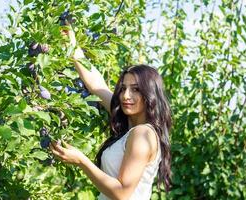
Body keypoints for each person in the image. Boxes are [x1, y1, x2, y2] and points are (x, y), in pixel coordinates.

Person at [50, 25, 172, 200]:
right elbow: (95, 84)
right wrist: (73, 45)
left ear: (150, 95)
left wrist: (81, 161)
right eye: (123, 89)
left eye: (136, 90)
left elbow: (122, 193)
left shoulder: (143, 134)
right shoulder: (129, 121)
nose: (126, 96)